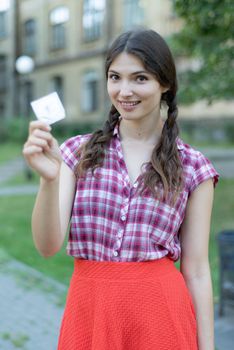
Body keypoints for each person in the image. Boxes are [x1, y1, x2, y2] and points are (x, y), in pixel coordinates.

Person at [23, 28, 219, 350]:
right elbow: (47, 247)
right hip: (90, 315)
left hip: (162, 320)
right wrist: (49, 180)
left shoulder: (193, 167)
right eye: (115, 77)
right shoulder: (77, 153)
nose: (124, 90)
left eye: (139, 78)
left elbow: (197, 271)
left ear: (164, 84)